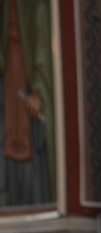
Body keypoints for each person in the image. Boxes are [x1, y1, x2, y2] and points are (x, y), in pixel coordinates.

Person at [0, 0, 56, 206]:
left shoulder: (36, 5)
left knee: (33, 163)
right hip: (4, 91)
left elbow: (44, 46)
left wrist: (39, 90)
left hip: (27, 86)